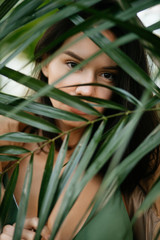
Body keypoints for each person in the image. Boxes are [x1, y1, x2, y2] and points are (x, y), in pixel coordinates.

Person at [0, 1, 159, 240]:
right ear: (45, 62)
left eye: (107, 75)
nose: (85, 89)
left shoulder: (141, 159)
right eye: (73, 64)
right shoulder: (7, 139)